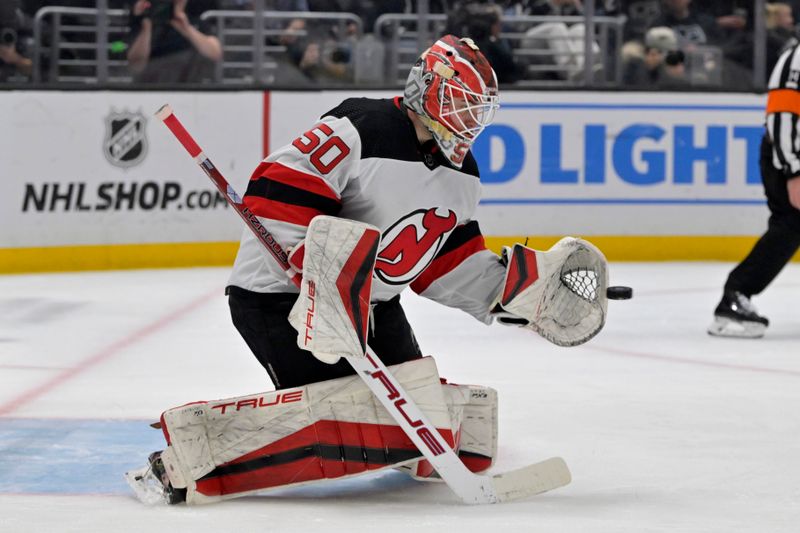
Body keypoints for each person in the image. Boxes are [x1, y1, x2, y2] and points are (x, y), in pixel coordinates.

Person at [126, 35, 608, 505]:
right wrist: (305, 264)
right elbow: (279, 183)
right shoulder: (362, 125)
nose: (471, 118)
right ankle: (191, 455)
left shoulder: (463, 175)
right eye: (462, 102)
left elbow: (439, 261)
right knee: (351, 420)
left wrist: (511, 292)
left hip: (371, 305)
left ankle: (399, 447)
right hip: (283, 300)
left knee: (426, 417)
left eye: (478, 107)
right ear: (430, 89)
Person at [708, 41, 800, 338]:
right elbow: (782, 116)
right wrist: (794, 169)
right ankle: (735, 295)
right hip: (788, 157)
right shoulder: (796, 59)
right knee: (792, 223)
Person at [127, 0, 222, 83]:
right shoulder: (144, 24)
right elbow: (136, 64)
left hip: (189, 88)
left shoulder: (194, 23)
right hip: (150, 88)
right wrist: (146, 27)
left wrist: (186, 29)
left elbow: (215, 53)